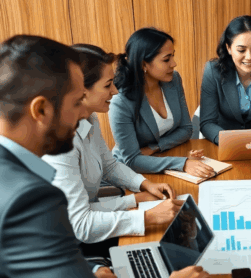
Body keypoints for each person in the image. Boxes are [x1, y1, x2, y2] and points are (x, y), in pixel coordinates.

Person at [0, 35, 213, 278]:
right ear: (41, 110)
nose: (85, 111)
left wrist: (83, 271)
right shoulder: (28, 199)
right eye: (76, 102)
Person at [43, 44, 184, 246]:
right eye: (108, 85)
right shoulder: (60, 147)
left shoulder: (89, 118)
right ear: (81, 91)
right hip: (67, 247)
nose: (116, 91)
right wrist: (148, 217)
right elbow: (81, 225)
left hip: (92, 221)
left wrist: (144, 185)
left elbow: (109, 165)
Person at [110, 27, 214, 177]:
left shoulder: (174, 80)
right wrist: (182, 164)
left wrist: (155, 148)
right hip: (131, 173)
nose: (174, 63)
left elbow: (186, 129)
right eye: (166, 59)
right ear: (143, 64)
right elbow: (132, 160)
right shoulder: (121, 102)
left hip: (162, 157)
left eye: (173, 56)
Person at [200, 15, 251, 144]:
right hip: (225, 142)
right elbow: (207, 123)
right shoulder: (213, 71)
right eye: (241, 50)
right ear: (229, 48)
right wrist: (227, 140)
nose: (249, 57)